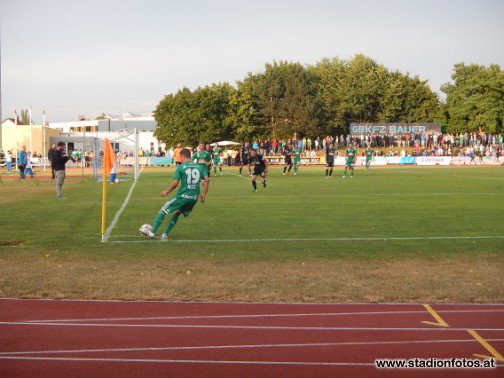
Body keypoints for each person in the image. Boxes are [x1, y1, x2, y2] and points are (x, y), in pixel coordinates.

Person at [140, 148, 210, 240]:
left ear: (181, 156)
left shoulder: (181, 167)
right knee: (177, 213)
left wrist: (166, 191)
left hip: (182, 196)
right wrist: (203, 194)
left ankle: (152, 232)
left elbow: (175, 183)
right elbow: (207, 179)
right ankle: (164, 234)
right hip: (194, 198)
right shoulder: (199, 167)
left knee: (163, 210)